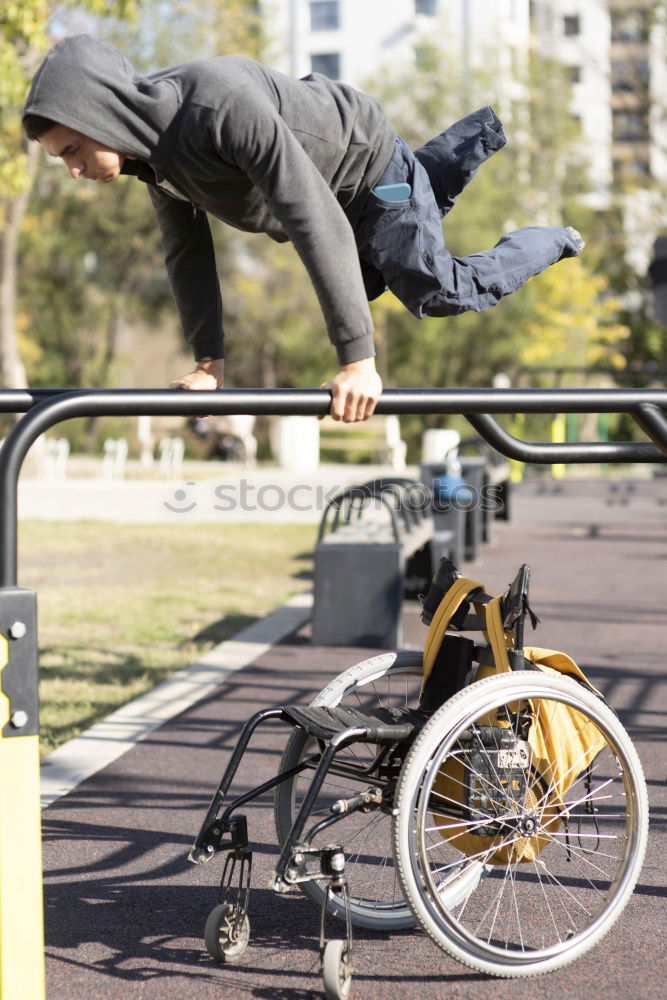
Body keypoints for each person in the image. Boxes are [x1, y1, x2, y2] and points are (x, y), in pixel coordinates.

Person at [23, 34, 584, 423]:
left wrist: (358, 363)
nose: (73, 171)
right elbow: (185, 255)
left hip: (365, 176)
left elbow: (313, 218)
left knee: (433, 290)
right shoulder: (153, 157)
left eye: (73, 150)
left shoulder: (217, 109)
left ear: (104, 114)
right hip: (337, 192)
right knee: (369, 279)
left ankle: (551, 238)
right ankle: (459, 152)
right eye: (60, 160)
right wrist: (207, 368)